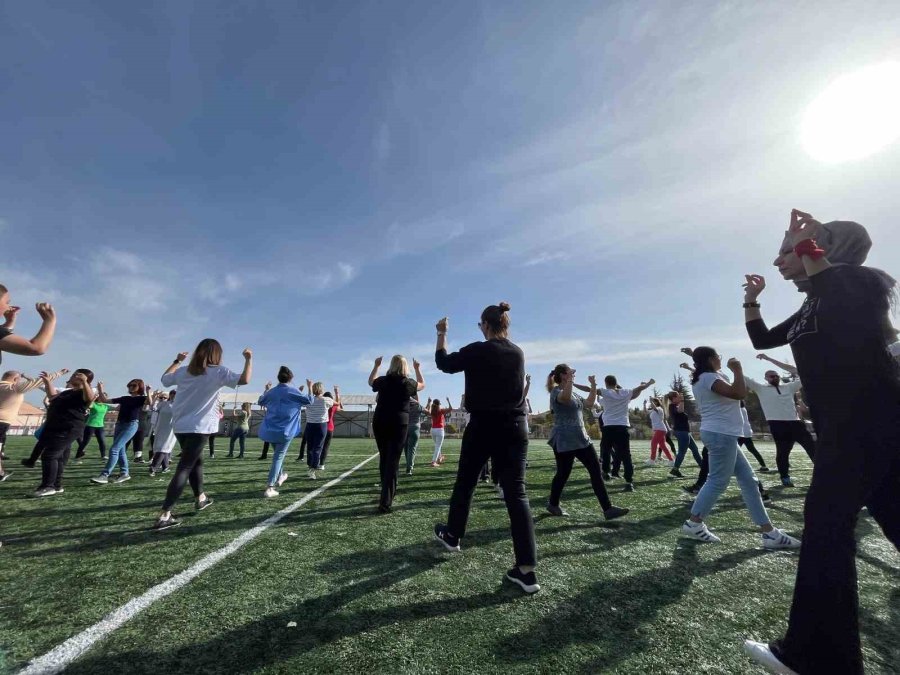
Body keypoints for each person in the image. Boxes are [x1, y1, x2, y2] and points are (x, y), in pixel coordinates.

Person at [741, 211, 900, 675]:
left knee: (826, 530)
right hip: (853, 432)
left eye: (786, 250)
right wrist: (752, 300)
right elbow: (763, 337)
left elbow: (835, 284)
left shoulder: (861, 283)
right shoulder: (815, 302)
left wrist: (807, 244)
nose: (777, 260)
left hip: (865, 426)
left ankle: (818, 659)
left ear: (822, 249)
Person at [432, 302, 540, 594]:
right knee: (517, 493)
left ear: (486, 325)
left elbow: (444, 363)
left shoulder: (478, 350)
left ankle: (453, 535)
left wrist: (442, 334)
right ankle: (526, 570)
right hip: (516, 428)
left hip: (484, 426)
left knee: (466, 483)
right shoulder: (518, 352)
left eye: (481, 325)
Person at [680, 346, 800, 554]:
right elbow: (739, 393)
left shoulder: (708, 375)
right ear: (710, 360)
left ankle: (769, 533)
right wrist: (737, 369)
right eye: (718, 357)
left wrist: (694, 356)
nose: (721, 360)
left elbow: (710, 370)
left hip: (724, 435)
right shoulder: (708, 378)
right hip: (721, 435)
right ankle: (694, 523)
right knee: (717, 481)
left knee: (749, 481)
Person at [153, 339, 252, 530]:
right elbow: (244, 380)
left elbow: (165, 378)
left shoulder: (183, 371)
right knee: (185, 466)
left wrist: (177, 360)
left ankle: (201, 497)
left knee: (196, 461)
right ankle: (165, 514)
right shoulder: (219, 371)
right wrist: (248, 359)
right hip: (200, 427)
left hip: (181, 426)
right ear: (217, 354)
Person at [546, 365, 629, 521]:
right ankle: (553, 504)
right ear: (563, 375)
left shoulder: (574, 393)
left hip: (582, 439)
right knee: (563, 474)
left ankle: (608, 509)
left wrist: (593, 386)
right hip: (564, 440)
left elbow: (589, 404)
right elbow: (565, 398)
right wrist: (569, 380)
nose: (573, 373)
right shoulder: (555, 392)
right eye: (569, 372)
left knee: (596, 471)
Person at [745, 353, 815, 487]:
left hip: (795, 423)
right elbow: (743, 376)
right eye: (772, 376)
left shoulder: (788, 387)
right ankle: (784, 476)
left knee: (812, 448)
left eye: (776, 375)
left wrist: (768, 358)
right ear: (766, 378)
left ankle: (822, 474)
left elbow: (798, 371)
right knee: (783, 452)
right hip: (778, 425)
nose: (775, 377)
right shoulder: (761, 389)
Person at [369, 356, 425, 512]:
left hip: (380, 421)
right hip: (399, 423)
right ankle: (386, 500)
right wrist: (418, 369)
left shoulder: (383, 381)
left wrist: (376, 366)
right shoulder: (407, 383)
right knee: (393, 460)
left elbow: (370, 381)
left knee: (384, 457)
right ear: (405, 367)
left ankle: (385, 493)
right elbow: (422, 385)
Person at [33, 369, 94, 497]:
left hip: (68, 428)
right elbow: (52, 397)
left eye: (75, 376)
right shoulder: (68, 392)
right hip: (58, 427)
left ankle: (47, 486)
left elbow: (89, 399)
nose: (72, 377)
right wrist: (48, 382)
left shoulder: (84, 392)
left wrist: (85, 382)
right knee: (59, 457)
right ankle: (56, 485)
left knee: (49, 455)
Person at [1, 368, 68, 479]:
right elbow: (38, 382)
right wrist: (59, 373)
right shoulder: (14, 387)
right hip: (2, 422)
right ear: (16, 379)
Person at [258, 367, 314, 497]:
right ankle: (270, 487)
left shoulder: (272, 392)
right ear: (290, 378)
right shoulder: (292, 390)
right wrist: (310, 386)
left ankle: (281, 475)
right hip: (285, 431)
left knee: (278, 456)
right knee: (278, 457)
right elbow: (309, 400)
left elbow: (261, 400)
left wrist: (266, 389)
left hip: (270, 431)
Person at [592, 375, 655, 492]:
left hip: (608, 427)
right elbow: (638, 390)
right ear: (616, 383)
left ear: (606, 383)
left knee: (605, 450)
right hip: (622, 427)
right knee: (626, 455)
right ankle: (629, 482)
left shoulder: (605, 393)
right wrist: (648, 384)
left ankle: (606, 471)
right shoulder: (625, 393)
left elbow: (589, 391)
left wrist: (580, 384)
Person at [91, 380, 153, 484]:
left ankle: (104, 475)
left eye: (134, 386)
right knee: (120, 450)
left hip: (131, 425)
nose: (131, 387)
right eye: (129, 385)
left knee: (114, 449)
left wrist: (148, 392)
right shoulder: (124, 398)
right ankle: (124, 473)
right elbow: (104, 400)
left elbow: (149, 402)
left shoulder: (141, 398)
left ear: (140, 387)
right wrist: (101, 389)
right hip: (119, 424)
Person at [665, 391, 701, 479]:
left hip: (685, 432)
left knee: (695, 449)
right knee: (682, 451)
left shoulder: (676, 406)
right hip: (681, 432)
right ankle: (675, 469)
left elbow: (681, 410)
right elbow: (680, 411)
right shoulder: (672, 406)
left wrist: (681, 401)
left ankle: (703, 467)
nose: (680, 398)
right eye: (678, 396)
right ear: (673, 399)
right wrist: (682, 400)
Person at [302, 380, 334, 480]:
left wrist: (309, 387)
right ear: (321, 389)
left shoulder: (308, 399)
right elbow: (335, 403)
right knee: (318, 448)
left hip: (310, 425)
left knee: (310, 447)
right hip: (321, 426)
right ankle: (313, 469)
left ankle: (310, 466)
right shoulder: (326, 400)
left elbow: (308, 399)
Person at [149, 391, 177, 476]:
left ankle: (153, 467)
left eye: (175, 394)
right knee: (160, 447)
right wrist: (152, 396)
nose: (173, 396)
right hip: (160, 428)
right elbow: (153, 407)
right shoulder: (164, 404)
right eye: (171, 394)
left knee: (164, 447)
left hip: (171, 430)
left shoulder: (181, 405)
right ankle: (165, 467)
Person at [738, 401, 769, 472]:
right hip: (746, 432)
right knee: (752, 449)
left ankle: (731, 468)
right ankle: (763, 466)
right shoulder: (743, 409)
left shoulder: (738, 410)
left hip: (742, 433)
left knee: (734, 451)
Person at [644, 397, 674, 465]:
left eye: (654, 402)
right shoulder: (653, 411)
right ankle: (671, 461)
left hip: (660, 429)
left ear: (657, 403)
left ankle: (652, 460)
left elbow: (655, 408)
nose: (652, 403)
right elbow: (645, 412)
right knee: (663, 446)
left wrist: (651, 401)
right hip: (660, 429)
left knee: (653, 443)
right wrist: (644, 404)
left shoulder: (659, 409)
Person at [319, 386, 342, 470]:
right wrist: (336, 392)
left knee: (318, 446)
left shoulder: (321, 405)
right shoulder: (333, 406)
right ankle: (322, 464)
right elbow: (338, 405)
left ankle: (315, 463)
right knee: (325, 447)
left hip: (320, 427)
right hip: (330, 428)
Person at [405, 394, 428, 476]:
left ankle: (408, 464)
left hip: (405, 428)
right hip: (415, 428)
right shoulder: (417, 405)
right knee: (412, 449)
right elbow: (427, 412)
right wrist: (428, 403)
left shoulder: (404, 405)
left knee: (406, 448)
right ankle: (409, 469)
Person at [429, 397, 452, 467]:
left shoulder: (432, 411)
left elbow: (427, 410)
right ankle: (433, 462)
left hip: (432, 430)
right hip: (439, 430)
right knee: (438, 446)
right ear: (439, 404)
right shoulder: (441, 411)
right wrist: (448, 401)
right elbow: (451, 409)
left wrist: (429, 402)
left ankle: (439, 458)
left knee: (437, 445)